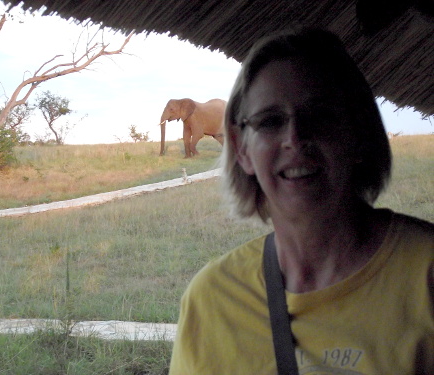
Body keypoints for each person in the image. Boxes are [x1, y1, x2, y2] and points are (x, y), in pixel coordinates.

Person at [168, 27, 433, 374]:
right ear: (242, 148)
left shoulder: (426, 277)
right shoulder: (211, 301)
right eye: (271, 121)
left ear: (355, 130)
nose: (295, 138)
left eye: (321, 115)